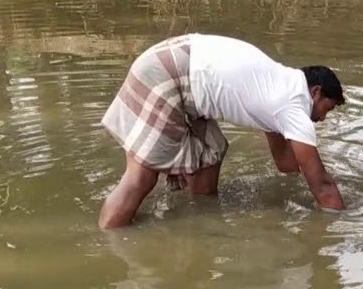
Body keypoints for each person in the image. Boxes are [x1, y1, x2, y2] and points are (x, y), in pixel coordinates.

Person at [97, 33, 347, 228]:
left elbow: (286, 164)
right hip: (169, 73)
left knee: (210, 154)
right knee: (142, 177)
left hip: (178, 63)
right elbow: (323, 188)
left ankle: (200, 220)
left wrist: (317, 171)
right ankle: (107, 242)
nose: (323, 118)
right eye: (329, 107)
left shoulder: (279, 88)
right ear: (315, 92)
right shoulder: (293, 106)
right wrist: (344, 225)